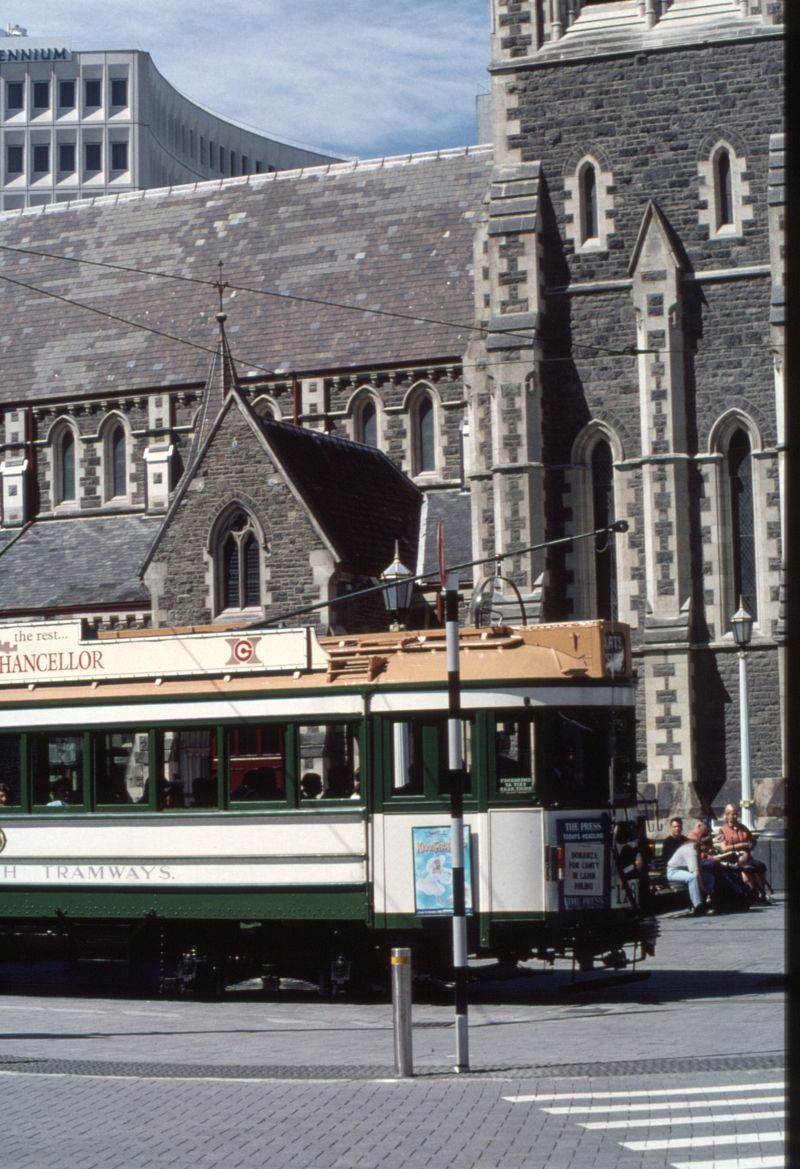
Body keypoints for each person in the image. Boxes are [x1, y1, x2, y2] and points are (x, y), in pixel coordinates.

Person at [715, 803, 771, 903]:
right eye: (733, 814)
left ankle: (761, 892)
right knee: (747, 868)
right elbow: (724, 848)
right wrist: (740, 846)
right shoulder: (722, 830)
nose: (735, 817)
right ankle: (754, 893)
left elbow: (753, 840)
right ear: (727, 815)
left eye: (736, 814)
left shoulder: (743, 827)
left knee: (761, 866)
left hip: (747, 857)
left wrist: (751, 847)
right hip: (734, 858)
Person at [666, 826, 715, 915]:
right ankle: (697, 906)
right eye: (708, 847)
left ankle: (707, 902)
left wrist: (706, 891)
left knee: (709, 878)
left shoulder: (698, 849)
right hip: (674, 871)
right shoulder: (691, 850)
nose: (709, 850)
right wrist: (703, 889)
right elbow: (696, 873)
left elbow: (699, 869)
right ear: (703, 845)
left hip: (685, 871)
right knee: (692, 878)